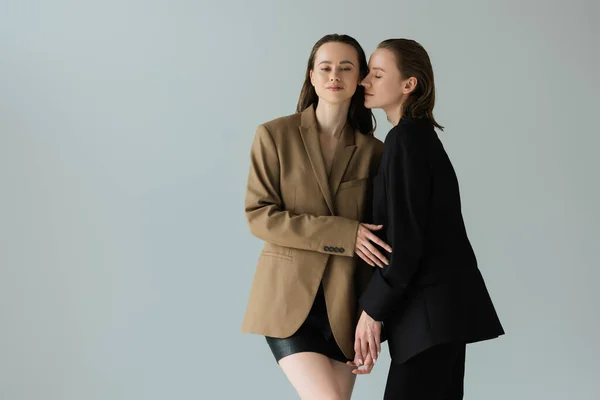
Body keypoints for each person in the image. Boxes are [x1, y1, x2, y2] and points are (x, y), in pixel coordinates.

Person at [350, 38, 505, 399]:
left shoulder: (404, 141)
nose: (364, 82)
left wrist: (371, 312)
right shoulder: (418, 138)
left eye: (377, 74)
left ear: (409, 84)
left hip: (429, 316)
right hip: (440, 314)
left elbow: (406, 243)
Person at [241, 34, 391, 400]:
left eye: (346, 68)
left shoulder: (374, 151)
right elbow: (260, 216)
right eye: (325, 67)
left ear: (360, 78)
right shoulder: (274, 136)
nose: (334, 75)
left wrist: (374, 316)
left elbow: (382, 238)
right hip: (287, 301)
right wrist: (343, 233)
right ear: (311, 76)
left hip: (346, 308)